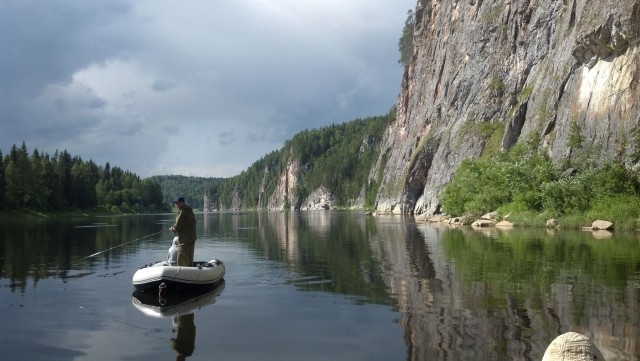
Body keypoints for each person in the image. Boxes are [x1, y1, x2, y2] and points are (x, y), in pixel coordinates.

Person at [169, 196, 197, 267]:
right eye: (176, 203)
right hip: (191, 239)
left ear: (183, 203)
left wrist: (172, 229)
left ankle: (182, 275)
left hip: (184, 240)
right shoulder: (189, 210)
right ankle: (189, 273)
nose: (177, 205)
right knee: (189, 258)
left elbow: (177, 227)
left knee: (182, 260)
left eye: (178, 203)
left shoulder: (182, 212)